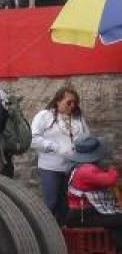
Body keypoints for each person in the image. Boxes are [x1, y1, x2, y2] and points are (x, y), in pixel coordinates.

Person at [30, 85, 91, 221]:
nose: (72, 106)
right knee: (51, 202)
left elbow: (86, 138)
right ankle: (48, 233)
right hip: (50, 167)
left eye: (75, 103)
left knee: (67, 205)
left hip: (73, 168)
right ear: (58, 101)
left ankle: (63, 233)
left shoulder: (78, 118)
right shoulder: (45, 116)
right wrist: (56, 147)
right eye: (69, 102)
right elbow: (33, 139)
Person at [64, 136, 122, 250]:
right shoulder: (86, 171)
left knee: (116, 220)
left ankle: (115, 246)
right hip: (82, 216)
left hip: (84, 213)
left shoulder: (79, 167)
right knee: (119, 219)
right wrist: (114, 169)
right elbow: (109, 180)